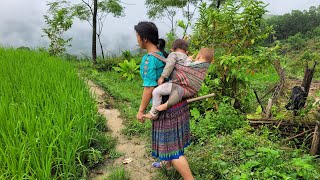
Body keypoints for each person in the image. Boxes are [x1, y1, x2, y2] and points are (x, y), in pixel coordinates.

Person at [134, 21, 194, 180]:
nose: (137, 39)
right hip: (178, 103)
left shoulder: (149, 59)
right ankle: (166, 164)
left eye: (137, 36)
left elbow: (149, 89)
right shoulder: (164, 54)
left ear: (144, 39)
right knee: (174, 142)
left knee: (173, 149)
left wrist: (141, 111)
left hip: (166, 108)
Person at [144, 39, 214, 120]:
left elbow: (170, 65)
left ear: (172, 49)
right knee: (178, 93)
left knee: (157, 91)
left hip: (181, 86)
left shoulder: (174, 55)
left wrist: (162, 77)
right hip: (191, 90)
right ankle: (166, 105)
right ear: (186, 51)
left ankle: (154, 113)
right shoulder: (194, 62)